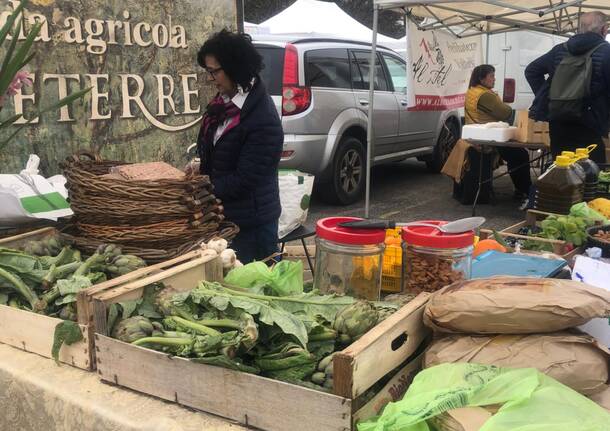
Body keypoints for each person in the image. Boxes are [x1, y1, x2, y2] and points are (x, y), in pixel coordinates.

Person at [194, 30, 283, 264]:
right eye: (208, 71)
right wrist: (199, 167)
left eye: (214, 72)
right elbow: (214, 151)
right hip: (225, 216)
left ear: (236, 68)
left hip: (252, 224)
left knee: (257, 289)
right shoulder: (222, 104)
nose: (211, 78)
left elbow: (246, 178)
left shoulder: (262, 117)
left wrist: (202, 190)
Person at [525, 11, 610, 164]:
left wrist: (548, 98)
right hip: (591, 123)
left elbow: (531, 71)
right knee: (592, 175)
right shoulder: (607, 52)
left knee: (562, 173)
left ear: (580, 28)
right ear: (604, 29)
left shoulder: (560, 50)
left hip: (559, 122)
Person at [464, 65, 532, 200]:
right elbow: (506, 113)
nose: (494, 79)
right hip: (487, 137)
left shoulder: (472, 91)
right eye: (491, 76)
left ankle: (522, 189)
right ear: (481, 78)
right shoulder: (485, 95)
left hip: (477, 133)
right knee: (519, 155)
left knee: (517, 154)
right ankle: (524, 190)